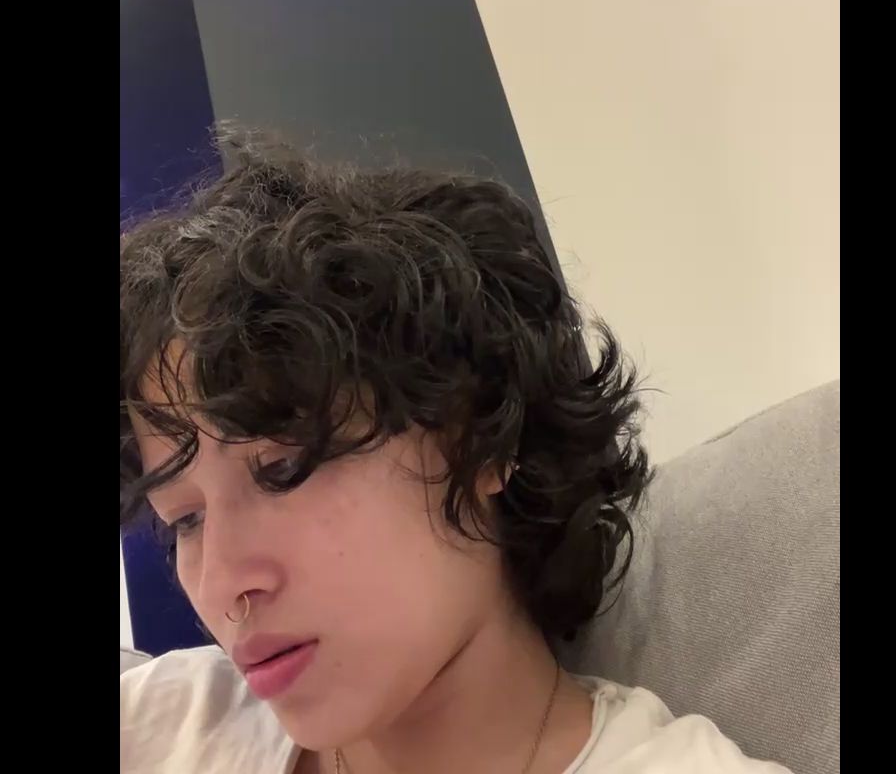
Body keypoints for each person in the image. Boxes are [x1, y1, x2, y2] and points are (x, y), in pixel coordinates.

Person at [120, 134, 792, 773]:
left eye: (282, 470)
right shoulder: (162, 724)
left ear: (476, 435)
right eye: (186, 520)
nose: (221, 587)